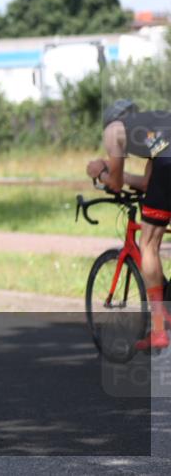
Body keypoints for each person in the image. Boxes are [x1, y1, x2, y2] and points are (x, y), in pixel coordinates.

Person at [87, 99, 171, 351]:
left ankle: (159, 330)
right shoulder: (155, 132)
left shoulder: (114, 130)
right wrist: (116, 176)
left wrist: (99, 171)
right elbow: (146, 184)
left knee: (148, 244)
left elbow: (113, 184)